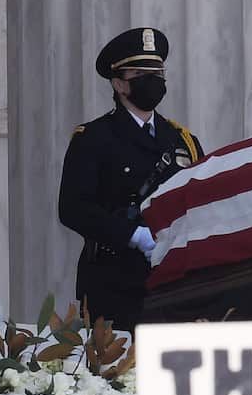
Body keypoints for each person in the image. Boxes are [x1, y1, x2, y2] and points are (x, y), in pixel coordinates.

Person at [57, 26, 204, 333]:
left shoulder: (182, 140)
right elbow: (73, 208)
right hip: (113, 280)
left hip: (172, 278)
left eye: (158, 72)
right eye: (141, 73)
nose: (154, 81)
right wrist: (132, 234)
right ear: (119, 84)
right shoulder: (94, 138)